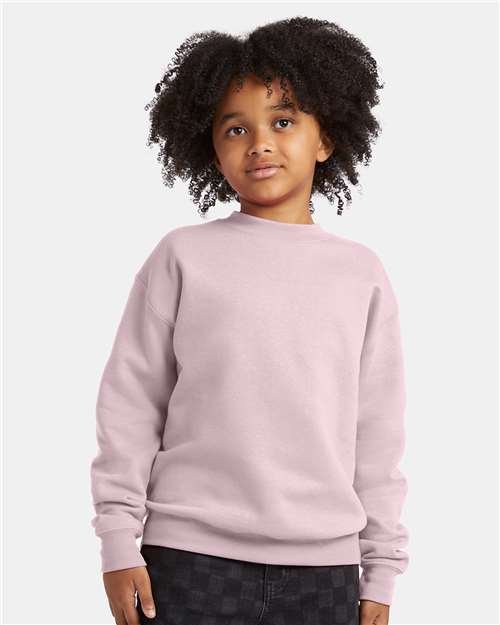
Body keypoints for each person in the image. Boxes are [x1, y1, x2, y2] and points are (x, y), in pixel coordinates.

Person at [90, 16, 409, 625]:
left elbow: (377, 435)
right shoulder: (182, 257)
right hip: (188, 560)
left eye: (282, 121)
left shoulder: (361, 274)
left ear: (325, 138)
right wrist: (117, 540)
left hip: (325, 572)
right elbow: (130, 406)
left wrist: (383, 571)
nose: (259, 143)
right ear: (211, 149)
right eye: (236, 128)